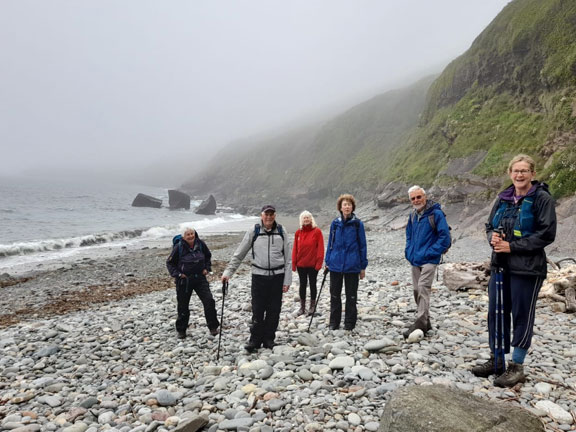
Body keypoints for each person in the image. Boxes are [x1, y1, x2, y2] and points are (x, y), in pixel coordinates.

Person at [470, 154, 556, 387]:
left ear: (532, 174)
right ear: (510, 173)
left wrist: (512, 246)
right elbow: (489, 226)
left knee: (521, 315)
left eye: (524, 171)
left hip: (528, 269)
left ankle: (516, 366)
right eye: (516, 171)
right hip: (500, 266)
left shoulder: (542, 199)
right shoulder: (503, 198)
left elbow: (547, 234)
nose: (519, 175)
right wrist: (493, 238)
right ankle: (496, 360)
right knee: (496, 313)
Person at [222, 205, 292, 352]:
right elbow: (239, 254)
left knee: (274, 310)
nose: (269, 217)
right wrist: (228, 272)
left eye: (271, 214)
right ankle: (254, 340)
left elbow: (288, 259)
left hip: (277, 276)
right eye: (266, 214)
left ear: (275, 215)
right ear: (261, 215)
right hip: (259, 276)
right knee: (258, 309)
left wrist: (287, 280)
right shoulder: (254, 231)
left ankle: (268, 339)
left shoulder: (281, 231)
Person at [404, 185, 451, 338]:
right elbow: (409, 235)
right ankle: (426, 320)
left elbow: (445, 238)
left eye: (419, 197)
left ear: (425, 197)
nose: (416, 200)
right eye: (413, 198)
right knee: (416, 290)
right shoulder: (412, 216)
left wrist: (431, 252)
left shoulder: (436, 214)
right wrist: (409, 251)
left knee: (423, 288)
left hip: (430, 259)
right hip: (415, 258)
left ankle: (420, 323)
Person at [166, 227, 219, 339]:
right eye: (188, 235)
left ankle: (213, 327)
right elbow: (170, 263)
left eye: (192, 234)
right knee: (183, 306)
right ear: (183, 237)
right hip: (184, 281)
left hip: (200, 278)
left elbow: (208, 256)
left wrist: (207, 268)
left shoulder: (200, 244)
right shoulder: (178, 247)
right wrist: (179, 275)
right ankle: (181, 330)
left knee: (209, 301)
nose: (190, 236)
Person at [325, 194, 368, 331]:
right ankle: (334, 322)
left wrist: (362, 266)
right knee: (335, 295)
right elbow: (330, 244)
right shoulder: (335, 224)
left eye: (349, 204)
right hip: (336, 264)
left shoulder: (357, 224)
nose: (347, 207)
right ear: (340, 207)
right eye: (344, 204)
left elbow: (362, 245)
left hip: (352, 265)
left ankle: (350, 323)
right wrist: (328, 261)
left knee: (351, 296)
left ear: (352, 207)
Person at [292, 210, 324, 316]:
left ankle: (312, 306)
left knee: (313, 284)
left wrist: (319, 263)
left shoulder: (317, 231)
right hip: (301, 264)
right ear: (301, 220)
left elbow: (320, 248)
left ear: (311, 219)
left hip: (313, 265)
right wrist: (294, 263)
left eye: (308, 217)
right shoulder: (298, 233)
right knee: (302, 285)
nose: (306, 219)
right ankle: (302, 307)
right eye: (304, 218)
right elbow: (295, 249)